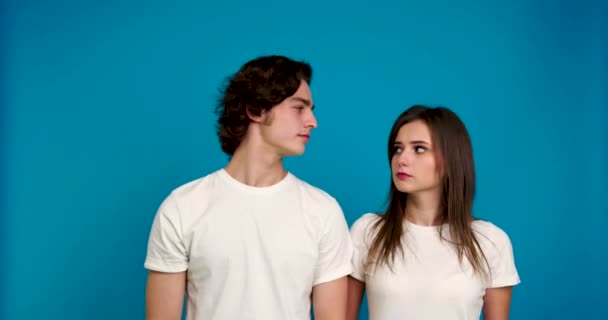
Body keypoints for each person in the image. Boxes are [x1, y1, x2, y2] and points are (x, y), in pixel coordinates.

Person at [144, 55, 353, 320]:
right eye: (299, 108)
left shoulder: (323, 211)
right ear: (255, 109)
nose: (313, 121)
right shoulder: (183, 206)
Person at [347, 105, 520, 320]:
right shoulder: (367, 231)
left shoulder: (490, 241)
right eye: (398, 148)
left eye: (419, 149)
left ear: (450, 161)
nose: (402, 159)